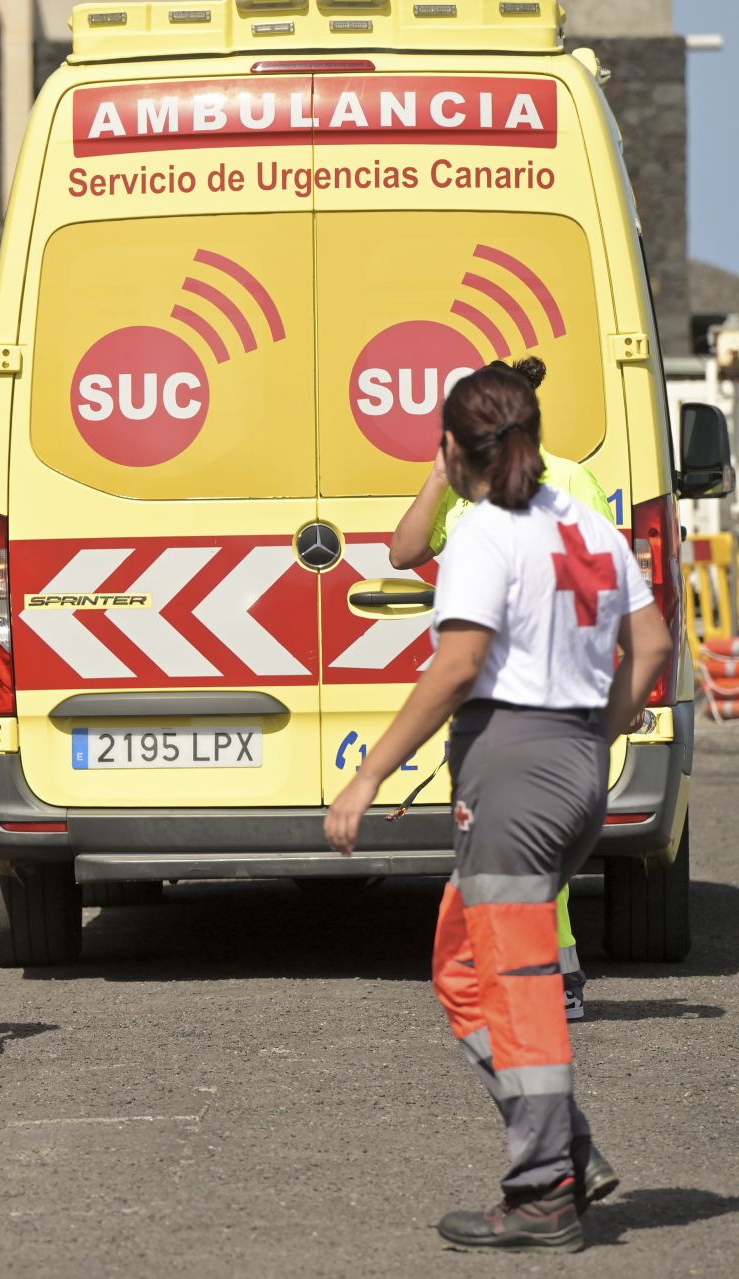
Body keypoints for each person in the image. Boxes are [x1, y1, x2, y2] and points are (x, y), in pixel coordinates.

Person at [325, 364, 671, 1252]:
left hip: (514, 776)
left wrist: (367, 775)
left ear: (451, 448)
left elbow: (458, 664)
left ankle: (543, 1190)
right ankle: (568, 1147)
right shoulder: (587, 522)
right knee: (461, 964)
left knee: (514, 982)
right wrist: (595, 732)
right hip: (575, 768)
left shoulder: (484, 530)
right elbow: (654, 642)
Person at [389, 356, 608, 1022]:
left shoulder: (567, 478)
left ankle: (550, 975)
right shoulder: (460, 488)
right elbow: (403, 551)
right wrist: (437, 477)